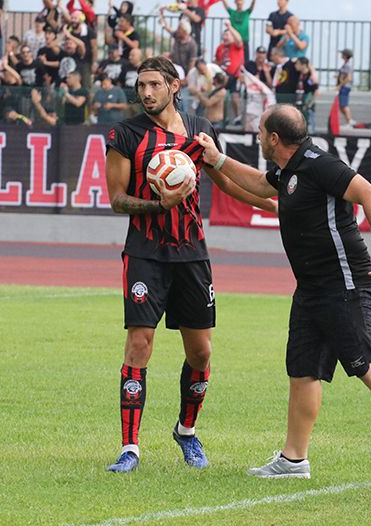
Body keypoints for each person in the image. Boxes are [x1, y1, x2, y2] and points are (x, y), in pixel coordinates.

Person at [194, 104, 371, 485]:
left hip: (343, 283)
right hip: (311, 288)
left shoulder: (317, 163)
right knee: (303, 370)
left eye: (261, 131)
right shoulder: (287, 170)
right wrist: (218, 159)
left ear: (274, 138)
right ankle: (293, 459)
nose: (258, 137)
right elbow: (259, 183)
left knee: (367, 363)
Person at [103, 55, 276, 473]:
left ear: (174, 86)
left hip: (192, 254)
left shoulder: (201, 131)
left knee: (200, 352)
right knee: (139, 344)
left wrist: (275, 206)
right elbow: (117, 200)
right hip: (145, 252)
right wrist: (158, 204)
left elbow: (228, 181)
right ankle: (130, 447)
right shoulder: (125, 134)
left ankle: (186, 431)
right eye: (140, 85)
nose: (146, 93)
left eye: (154, 85)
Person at [214, 19, 243, 121]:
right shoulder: (220, 47)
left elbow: (239, 40)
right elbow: (217, 60)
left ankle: (238, 117)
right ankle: (223, 117)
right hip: (223, 76)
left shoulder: (236, 46)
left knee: (235, 96)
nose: (225, 37)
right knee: (222, 97)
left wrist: (230, 26)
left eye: (228, 35)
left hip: (235, 76)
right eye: (224, 35)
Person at [159, 13, 197, 80]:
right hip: (175, 66)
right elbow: (168, 29)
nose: (177, 30)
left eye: (179, 29)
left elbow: (193, 61)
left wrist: (188, 76)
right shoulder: (178, 36)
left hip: (185, 69)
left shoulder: (192, 44)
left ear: (184, 31)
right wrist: (162, 17)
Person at [335, 48, 353, 127]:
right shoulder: (345, 65)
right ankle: (348, 120)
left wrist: (340, 85)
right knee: (341, 105)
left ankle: (349, 121)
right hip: (344, 86)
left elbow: (348, 77)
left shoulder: (348, 65)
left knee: (344, 104)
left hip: (345, 87)